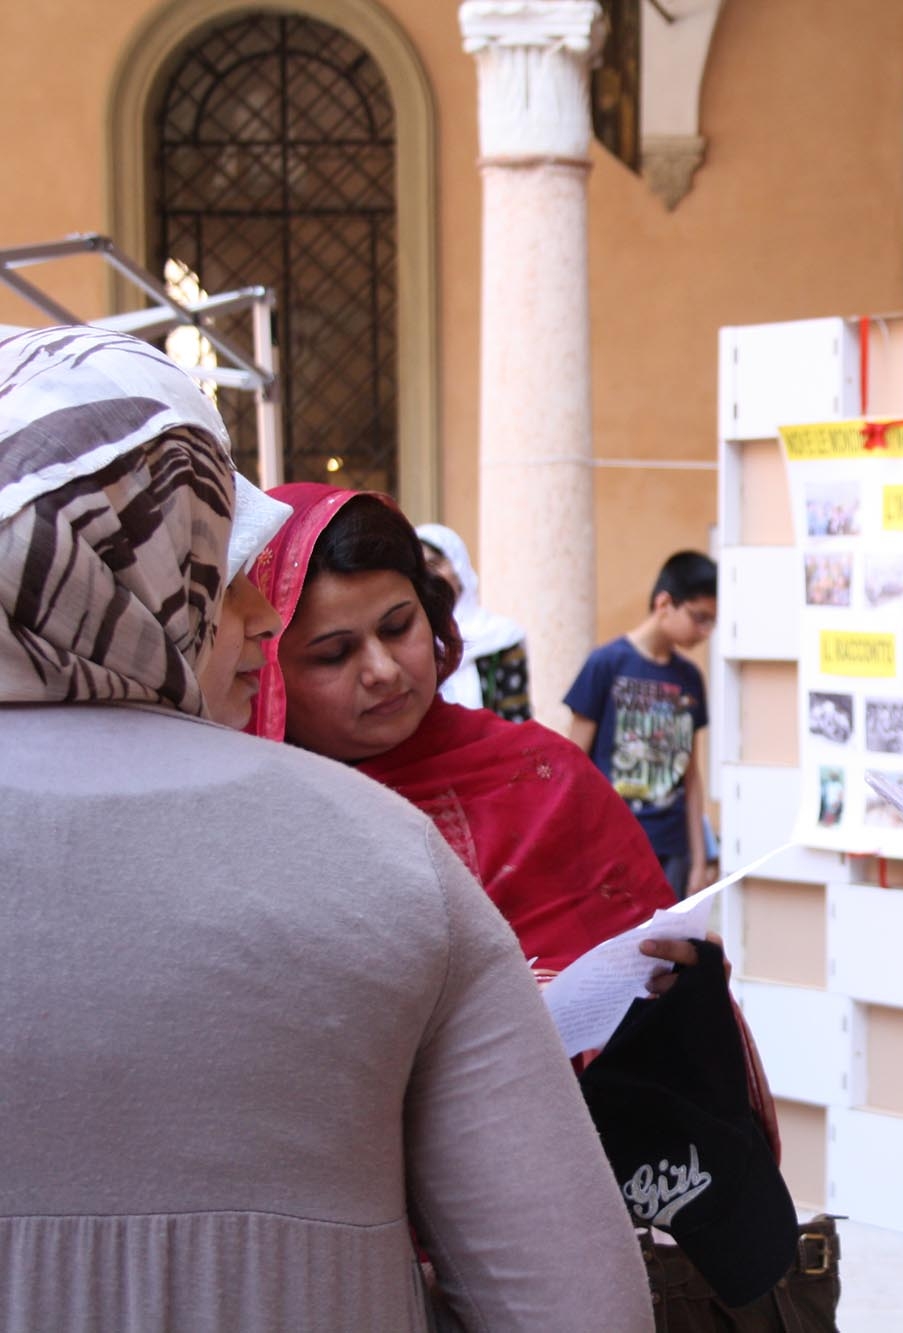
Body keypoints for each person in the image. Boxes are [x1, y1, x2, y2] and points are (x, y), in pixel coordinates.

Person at [0, 326, 651, 1330]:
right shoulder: (378, 853)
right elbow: (574, 1305)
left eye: (398, 628)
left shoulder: (470, 800)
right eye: (215, 569)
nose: (258, 614)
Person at [248, 484, 678, 975]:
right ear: (265, 672)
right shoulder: (250, 826)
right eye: (334, 654)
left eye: (397, 628)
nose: (383, 670)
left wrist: (683, 980)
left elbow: (646, 966)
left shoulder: (542, 778)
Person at [567, 551, 717, 894]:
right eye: (699, 617)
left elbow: (690, 775)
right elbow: (573, 765)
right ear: (664, 603)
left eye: (712, 622)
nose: (705, 631)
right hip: (611, 847)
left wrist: (698, 860)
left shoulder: (690, 677)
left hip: (672, 850)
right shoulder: (605, 664)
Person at [415, 520, 531, 721]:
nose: (429, 577)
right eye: (420, 570)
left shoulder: (500, 637)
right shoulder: (410, 641)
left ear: (459, 567)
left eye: (435, 564)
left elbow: (515, 717)